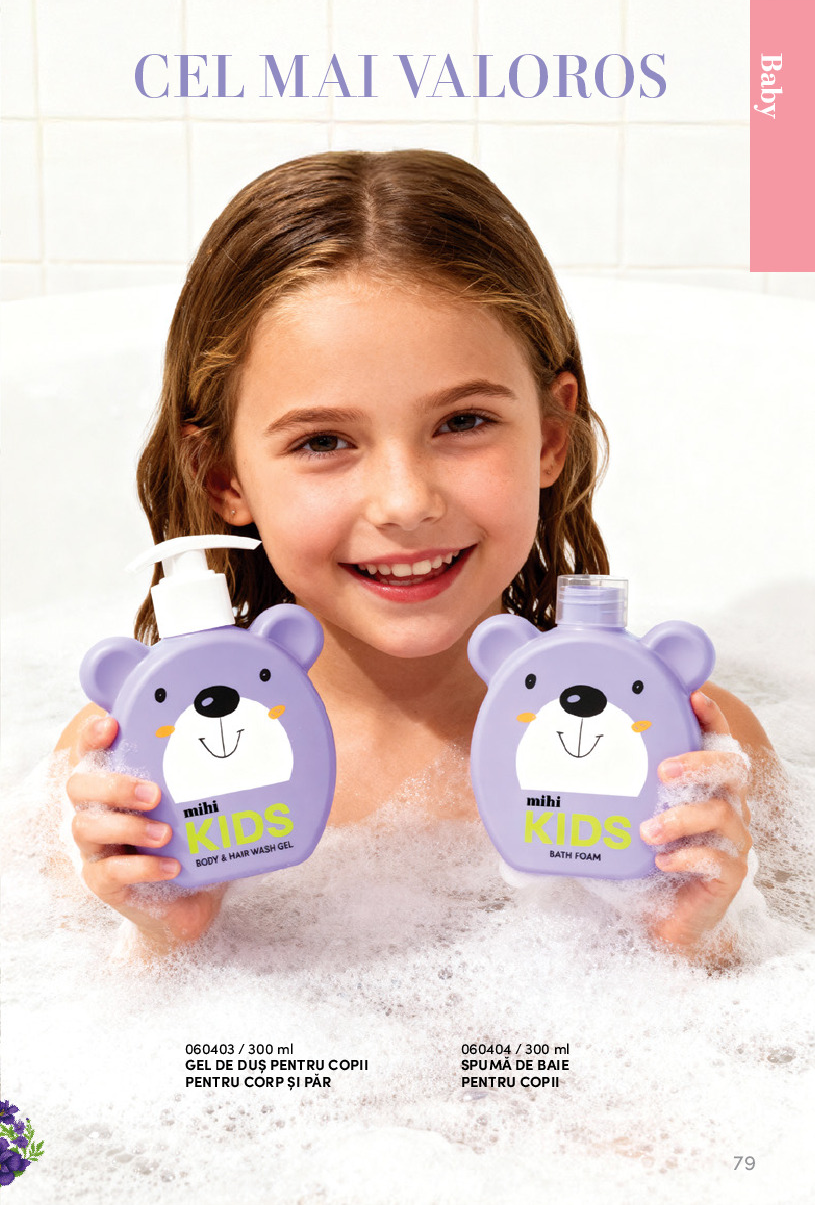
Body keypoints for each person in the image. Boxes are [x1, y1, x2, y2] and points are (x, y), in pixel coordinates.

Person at [57, 150, 769, 960]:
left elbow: (771, 997)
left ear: (550, 436)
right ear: (224, 477)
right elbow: (66, 1001)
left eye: (462, 422)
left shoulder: (689, 750)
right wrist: (163, 940)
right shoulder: (126, 766)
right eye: (323, 440)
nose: (404, 501)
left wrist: (692, 944)